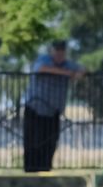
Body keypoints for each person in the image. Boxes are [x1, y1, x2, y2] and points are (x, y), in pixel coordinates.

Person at [22, 40, 85, 172]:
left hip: (53, 111)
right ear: (52, 51)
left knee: (50, 143)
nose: (59, 54)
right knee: (33, 142)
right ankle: (31, 172)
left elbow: (82, 70)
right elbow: (40, 68)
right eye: (57, 51)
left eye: (62, 51)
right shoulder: (43, 59)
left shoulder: (68, 64)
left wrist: (77, 74)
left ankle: (45, 170)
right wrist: (67, 73)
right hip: (35, 109)